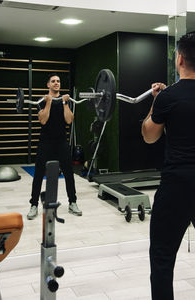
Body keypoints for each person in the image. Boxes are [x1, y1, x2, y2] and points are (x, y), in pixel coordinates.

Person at [141, 31, 195, 300]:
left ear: (180, 59)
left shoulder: (168, 97)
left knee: (162, 258)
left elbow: (149, 136)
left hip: (176, 187)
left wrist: (156, 102)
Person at [27, 73, 82, 220]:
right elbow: (43, 120)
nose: (56, 83)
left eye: (58, 81)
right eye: (53, 81)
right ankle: (33, 205)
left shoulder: (66, 101)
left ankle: (73, 202)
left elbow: (69, 120)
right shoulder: (42, 101)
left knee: (69, 174)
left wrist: (64, 103)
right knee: (38, 174)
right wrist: (49, 102)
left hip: (61, 142)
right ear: (48, 85)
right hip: (45, 142)